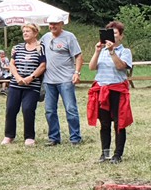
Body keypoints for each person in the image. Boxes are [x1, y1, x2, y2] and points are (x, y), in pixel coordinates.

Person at [87, 21, 132, 163]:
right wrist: (97, 51)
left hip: (117, 89)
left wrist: (112, 51)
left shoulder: (125, 52)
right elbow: (91, 67)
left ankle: (117, 154)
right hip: (102, 89)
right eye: (110, 33)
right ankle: (105, 153)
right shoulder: (102, 51)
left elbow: (120, 66)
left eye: (115, 33)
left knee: (119, 123)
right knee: (104, 123)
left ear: (121, 36)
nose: (112, 36)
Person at [40, 14, 83, 146]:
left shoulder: (69, 37)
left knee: (70, 109)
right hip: (49, 80)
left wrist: (77, 72)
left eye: (55, 24)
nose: (52, 26)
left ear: (61, 24)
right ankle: (54, 137)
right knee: (49, 110)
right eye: (50, 24)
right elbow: (37, 50)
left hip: (66, 79)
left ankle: (75, 137)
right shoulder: (45, 38)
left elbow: (78, 56)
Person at [2, 24, 46, 146]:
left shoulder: (41, 48)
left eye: (28, 31)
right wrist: (17, 77)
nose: (25, 33)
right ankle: (9, 135)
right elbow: (12, 64)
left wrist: (31, 77)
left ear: (35, 33)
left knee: (28, 109)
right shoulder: (17, 47)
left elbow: (43, 65)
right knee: (11, 109)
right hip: (15, 85)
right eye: (24, 31)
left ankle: (29, 137)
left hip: (32, 86)